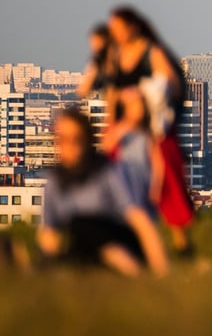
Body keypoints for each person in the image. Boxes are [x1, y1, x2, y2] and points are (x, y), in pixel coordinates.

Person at [102, 6, 194, 255]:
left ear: (133, 27)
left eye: (119, 29)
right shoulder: (115, 54)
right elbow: (110, 93)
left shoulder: (152, 52)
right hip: (125, 129)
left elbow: (172, 85)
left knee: (168, 180)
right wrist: (110, 126)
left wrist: (142, 93)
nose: (116, 34)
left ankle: (180, 238)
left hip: (154, 129)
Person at [37, 108, 168, 276]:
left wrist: (160, 269)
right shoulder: (55, 180)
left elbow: (138, 219)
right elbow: (50, 233)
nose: (69, 146)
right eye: (62, 140)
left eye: (75, 139)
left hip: (121, 243)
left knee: (83, 225)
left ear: (87, 140)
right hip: (84, 249)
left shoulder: (106, 171)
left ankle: (130, 269)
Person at [76, 23, 111, 99]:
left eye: (96, 42)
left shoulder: (119, 58)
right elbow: (82, 90)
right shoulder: (97, 62)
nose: (93, 46)